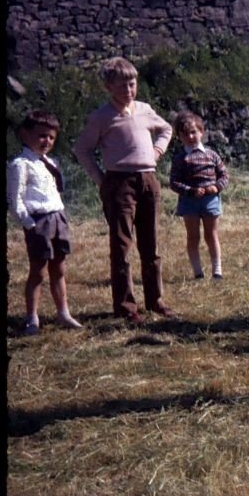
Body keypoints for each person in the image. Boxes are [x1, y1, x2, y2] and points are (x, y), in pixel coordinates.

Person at [73, 57, 175, 324]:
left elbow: (166, 128)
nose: (128, 90)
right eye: (122, 85)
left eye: (132, 83)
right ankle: (126, 306)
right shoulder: (101, 117)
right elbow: (82, 149)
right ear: (108, 87)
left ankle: (156, 300)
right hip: (119, 183)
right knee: (122, 245)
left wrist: (156, 151)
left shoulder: (144, 109)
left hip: (148, 180)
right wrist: (101, 179)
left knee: (150, 243)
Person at [7, 110, 84, 335]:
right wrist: (29, 224)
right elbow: (14, 199)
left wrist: (61, 216)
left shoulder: (49, 162)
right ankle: (32, 318)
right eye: (41, 136)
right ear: (24, 135)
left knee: (59, 269)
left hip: (57, 218)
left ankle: (63, 313)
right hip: (38, 222)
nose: (47, 141)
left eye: (51, 137)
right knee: (38, 272)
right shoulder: (20, 164)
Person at [169, 112, 228, 280]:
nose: (190, 136)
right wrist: (190, 190)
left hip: (210, 200)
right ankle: (198, 272)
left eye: (194, 132)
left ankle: (217, 271)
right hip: (189, 202)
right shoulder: (180, 158)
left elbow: (224, 176)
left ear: (201, 132)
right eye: (185, 134)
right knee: (193, 236)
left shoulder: (212, 155)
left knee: (212, 234)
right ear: (179, 137)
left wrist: (215, 187)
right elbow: (173, 182)